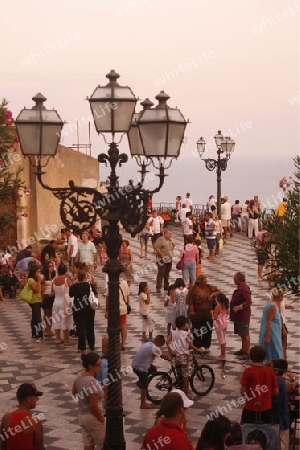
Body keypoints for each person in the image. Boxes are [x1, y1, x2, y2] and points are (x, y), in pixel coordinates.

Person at [72, 351, 105, 450]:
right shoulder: (92, 382)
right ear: (90, 366)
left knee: (88, 445)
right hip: (92, 417)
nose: (100, 366)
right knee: (104, 444)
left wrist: (83, 397)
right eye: (98, 364)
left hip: (82, 416)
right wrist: (101, 418)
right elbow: (94, 405)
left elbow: (74, 392)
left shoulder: (79, 376)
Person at [240, 346, 278, 424]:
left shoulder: (247, 371)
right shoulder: (269, 371)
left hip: (250, 407)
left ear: (251, 357)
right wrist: (265, 395)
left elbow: (242, 392)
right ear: (264, 357)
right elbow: (276, 391)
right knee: (265, 434)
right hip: (266, 408)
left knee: (248, 433)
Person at [0, 382, 45, 450]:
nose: (37, 399)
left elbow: (3, 446)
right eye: (35, 397)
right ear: (28, 399)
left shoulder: (6, 419)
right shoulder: (34, 422)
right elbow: (40, 447)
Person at [166, 315, 201, 396]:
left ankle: (180, 392)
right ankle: (186, 394)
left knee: (179, 375)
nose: (188, 325)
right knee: (186, 376)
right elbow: (191, 346)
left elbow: (167, 341)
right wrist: (197, 349)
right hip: (185, 357)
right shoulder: (187, 334)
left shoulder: (173, 332)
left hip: (177, 357)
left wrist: (170, 350)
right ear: (184, 324)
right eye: (187, 323)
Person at [132, 334, 168, 409]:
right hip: (140, 367)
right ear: (158, 343)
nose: (159, 348)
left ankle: (140, 381)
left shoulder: (148, 343)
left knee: (153, 369)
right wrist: (169, 358)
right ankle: (143, 403)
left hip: (135, 364)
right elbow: (163, 356)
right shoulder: (155, 348)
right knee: (144, 385)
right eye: (160, 346)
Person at [186, 274, 218, 351]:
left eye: (206, 281)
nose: (206, 282)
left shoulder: (209, 287)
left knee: (207, 330)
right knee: (197, 330)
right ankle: (197, 346)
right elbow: (190, 301)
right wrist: (192, 310)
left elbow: (218, 292)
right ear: (200, 281)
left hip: (207, 314)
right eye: (204, 281)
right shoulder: (193, 289)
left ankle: (206, 346)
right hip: (197, 314)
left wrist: (213, 294)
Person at [69, 268, 98, 352]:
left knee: (80, 327)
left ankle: (81, 347)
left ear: (78, 277)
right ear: (85, 276)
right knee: (90, 326)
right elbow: (95, 292)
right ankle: (91, 345)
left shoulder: (74, 286)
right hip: (89, 308)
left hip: (78, 308)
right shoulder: (88, 285)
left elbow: (71, 295)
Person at [272, 359, 294, 450]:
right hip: (282, 417)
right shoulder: (281, 382)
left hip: (280, 418)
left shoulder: (278, 384)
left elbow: (275, 401)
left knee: (282, 444)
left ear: (276, 370)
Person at [229, 272, 252, 360]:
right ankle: (243, 349)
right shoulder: (240, 287)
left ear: (238, 279)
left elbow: (248, 301)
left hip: (243, 315)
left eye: (235, 279)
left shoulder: (245, 288)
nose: (234, 280)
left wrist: (240, 307)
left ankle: (248, 352)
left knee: (245, 333)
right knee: (241, 333)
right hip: (238, 316)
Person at [258, 289, 284, 361]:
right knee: (275, 350)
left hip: (274, 332)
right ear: (279, 297)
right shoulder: (272, 306)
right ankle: (275, 367)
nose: (282, 299)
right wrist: (268, 337)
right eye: (282, 297)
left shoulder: (271, 304)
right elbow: (268, 321)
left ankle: (269, 365)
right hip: (272, 333)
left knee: (271, 350)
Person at [154, 229, 175, 294]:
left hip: (169, 259)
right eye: (169, 234)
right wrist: (161, 254)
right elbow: (157, 248)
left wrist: (173, 246)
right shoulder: (160, 239)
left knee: (167, 273)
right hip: (161, 259)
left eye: (171, 234)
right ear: (165, 233)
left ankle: (166, 286)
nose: (170, 235)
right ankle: (158, 287)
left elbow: (170, 249)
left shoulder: (170, 240)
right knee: (161, 273)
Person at [27, 266, 44, 343]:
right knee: (38, 318)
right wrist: (39, 281)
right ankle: (40, 335)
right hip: (34, 301)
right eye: (38, 272)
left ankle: (34, 333)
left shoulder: (37, 280)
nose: (39, 273)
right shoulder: (31, 280)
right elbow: (36, 290)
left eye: (40, 272)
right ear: (34, 273)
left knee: (34, 317)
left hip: (38, 300)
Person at [41, 261, 56, 337]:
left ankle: (49, 329)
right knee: (46, 314)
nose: (51, 268)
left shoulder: (54, 275)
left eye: (52, 266)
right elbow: (42, 287)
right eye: (50, 266)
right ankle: (46, 329)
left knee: (51, 314)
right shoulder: (43, 276)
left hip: (52, 296)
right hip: (46, 296)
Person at [213, 293, 229, 360]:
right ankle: (223, 354)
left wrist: (212, 312)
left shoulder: (217, 307)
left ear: (218, 299)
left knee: (221, 340)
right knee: (223, 339)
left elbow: (215, 317)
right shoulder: (226, 306)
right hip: (225, 324)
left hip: (219, 325)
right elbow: (226, 314)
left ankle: (223, 355)